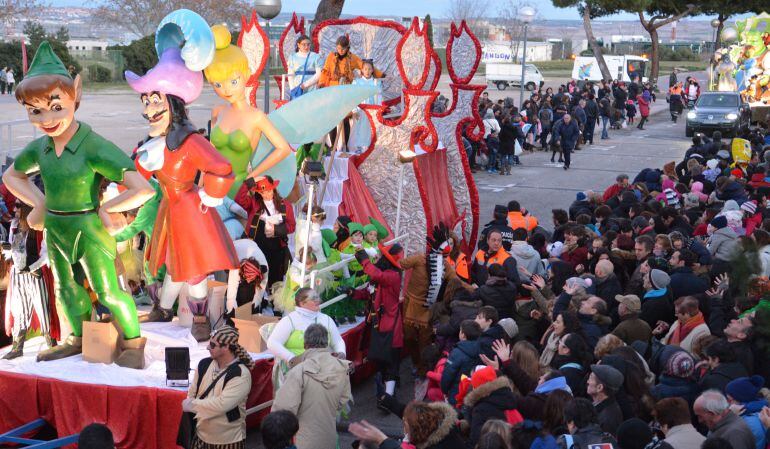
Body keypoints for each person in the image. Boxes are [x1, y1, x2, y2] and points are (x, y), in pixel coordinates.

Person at [3, 41, 155, 367]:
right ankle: (77, 337)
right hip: (57, 228)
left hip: (89, 228)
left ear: (76, 94)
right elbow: (12, 176)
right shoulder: (41, 149)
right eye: (35, 111)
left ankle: (133, 343)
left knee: (107, 289)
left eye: (56, 106)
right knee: (65, 288)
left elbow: (143, 188)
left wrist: (108, 209)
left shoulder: (92, 146)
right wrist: (40, 202)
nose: (46, 118)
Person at [127, 32, 240, 340]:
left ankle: (200, 317)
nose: (149, 110)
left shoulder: (190, 141)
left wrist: (209, 194)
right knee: (174, 263)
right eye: (146, 102)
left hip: (190, 210)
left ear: (173, 104)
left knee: (192, 266)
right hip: (169, 208)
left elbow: (221, 168)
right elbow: (136, 173)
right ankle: (164, 308)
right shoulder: (155, 143)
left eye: (155, 101)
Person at [205, 25, 294, 198]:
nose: (225, 90)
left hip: (237, 188)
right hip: (211, 185)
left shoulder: (256, 117)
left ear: (246, 74)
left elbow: (283, 149)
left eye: (233, 81)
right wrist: (200, 185)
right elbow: (210, 154)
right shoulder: (218, 111)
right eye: (218, 84)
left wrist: (251, 177)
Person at [272, 324, 352, 449]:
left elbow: (282, 411)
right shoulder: (342, 367)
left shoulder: (298, 372)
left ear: (305, 345)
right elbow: (342, 401)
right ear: (326, 344)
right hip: (329, 437)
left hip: (304, 440)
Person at [182, 326, 253, 449]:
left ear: (226, 347)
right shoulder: (204, 364)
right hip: (200, 437)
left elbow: (221, 404)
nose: (208, 347)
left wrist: (192, 405)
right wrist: (191, 402)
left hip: (228, 441)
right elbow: (192, 393)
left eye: (213, 345)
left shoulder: (241, 374)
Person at [350, 243, 404, 401]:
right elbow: (368, 294)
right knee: (381, 361)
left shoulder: (393, 276)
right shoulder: (380, 277)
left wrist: (364, 261)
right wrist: (352, 292)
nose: (378, 258)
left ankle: (389, 397)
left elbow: (378, 276)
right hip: (379, 324)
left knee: (391, 361)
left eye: (381, 256)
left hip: (390, 326)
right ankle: (386, 394)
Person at [2, 203, 55, 359]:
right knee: (20, 311)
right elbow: (13, 249)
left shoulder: (40, 227)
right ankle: (17, 347)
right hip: (18, 274)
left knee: (43, 309)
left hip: (35, 274)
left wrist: (32, 267)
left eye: (18, 206)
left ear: (26, 209)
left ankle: (51, 345)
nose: (14, 209)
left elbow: (46, 254)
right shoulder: (14, 225)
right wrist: (7, 249)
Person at [267, 288, 346, 389]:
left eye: (318, 297)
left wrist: (341, 352)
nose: (319, 300)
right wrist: (291, 358)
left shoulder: (326, 319)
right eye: (314, 298)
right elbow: (272, 343)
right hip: (295, 373)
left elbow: (337, 341)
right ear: (302, 303)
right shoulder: (289, 320)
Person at [235, 176, 295, 292]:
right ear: (259, 192)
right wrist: (248, 183)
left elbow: (292, 226)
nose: (266, 194)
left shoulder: (285, 205)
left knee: (275, 281)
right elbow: (239, 199)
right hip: (256, 247)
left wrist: (276, 230)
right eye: (263, 192)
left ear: (274, 189)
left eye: (269, 190)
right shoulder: (254, 203)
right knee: (255, 278)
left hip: (276, 249)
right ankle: (257, 301)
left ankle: (274, 301)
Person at [348, 401, 466, 449]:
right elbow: (416, 416)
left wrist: (381, 439)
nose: (404, 430)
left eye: (405, 424)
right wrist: (390, 401)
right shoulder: (446, 431)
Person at [441, 319, 482, 405]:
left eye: (460, 330)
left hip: (456, 392)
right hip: (472, 392)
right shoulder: (481, 349)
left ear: (463, 335)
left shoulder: (457, 352)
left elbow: (448, 374)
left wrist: (444, 390)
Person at [587, 364, 625, 435]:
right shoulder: (597, 404)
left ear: (599, 388)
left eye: (591, 378)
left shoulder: (608, 420)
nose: (587, 382)